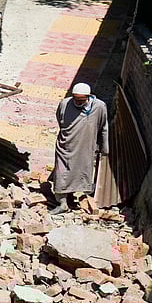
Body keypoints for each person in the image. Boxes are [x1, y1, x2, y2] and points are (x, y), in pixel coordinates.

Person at [50, 82, 109, 214]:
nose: (78, 102)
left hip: (85, 147)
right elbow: (60, 119)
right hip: (65, 146)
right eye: (76, 99)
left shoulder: (99, 107)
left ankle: (72, 196)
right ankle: (62, 203)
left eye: (81, 100)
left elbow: (103, 127)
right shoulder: (65, 103)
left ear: (88, 97)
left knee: (79, 172)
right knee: (61, 173)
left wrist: (104, 148)